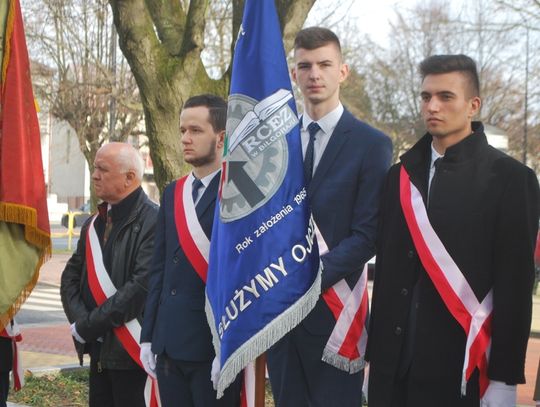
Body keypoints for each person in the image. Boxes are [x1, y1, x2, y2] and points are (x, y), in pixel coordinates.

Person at [367, 54, 540, 407]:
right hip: (392, 369)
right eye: (426, 96)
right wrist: (375, 360)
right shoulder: (399, 176)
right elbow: (386, 273)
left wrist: (504, 378)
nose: (432, 106)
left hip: (460, 370)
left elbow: (515, 285)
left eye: (446, 96)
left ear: (473, 105)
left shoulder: (510, 179)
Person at [266, 27, 393, 407]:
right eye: (305, 66)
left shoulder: (372, 144)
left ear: (343, 72)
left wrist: (306, 280)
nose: (314, 74)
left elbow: (367, 234)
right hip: (279, 315)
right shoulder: (276, 143)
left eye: (324, 64)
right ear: (294, 74)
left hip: (335, 315)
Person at [139, 94, 241, 406]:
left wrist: (230, 346)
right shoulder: (174, 192)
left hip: (211, 345)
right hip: (169, 344)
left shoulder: (238, 193)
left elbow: (242, 275)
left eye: (195, 131)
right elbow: (159, 269)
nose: (185, 138)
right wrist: (148, 335)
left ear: (220, 138)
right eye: (183, 130)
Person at [60, 142, 158, 407]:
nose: (95, 176)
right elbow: (70, 278)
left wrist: (88, 326)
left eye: (103, 169)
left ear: (129, 177)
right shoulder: (95, 223)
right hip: (99, 350)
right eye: (95, 168)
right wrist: (83, 323)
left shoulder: (154, 220)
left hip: (132, 355)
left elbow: (139, 288)